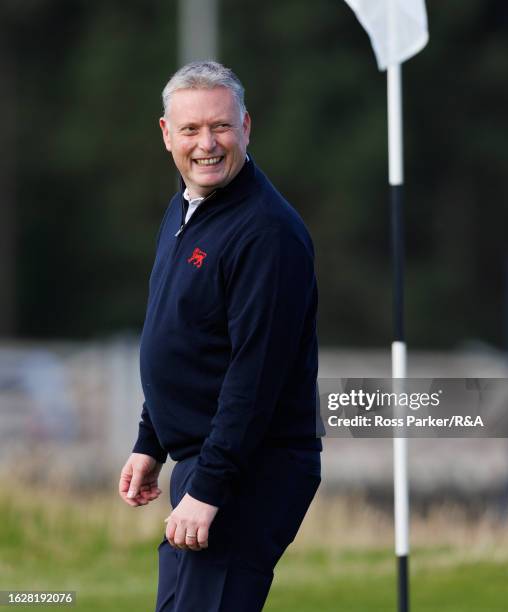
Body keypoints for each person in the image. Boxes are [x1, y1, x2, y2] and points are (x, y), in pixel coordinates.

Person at [118, 61, 323, 612]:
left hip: (249, 469)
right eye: (190, 130)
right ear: (166, 134)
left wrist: (209, 487)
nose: (206, 144)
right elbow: (183, 336)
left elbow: (253, 377)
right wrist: (151, 439)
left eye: (221, 127)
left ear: (247, 127)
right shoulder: (189, 206)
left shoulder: (265, 232)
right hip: (206, 460)